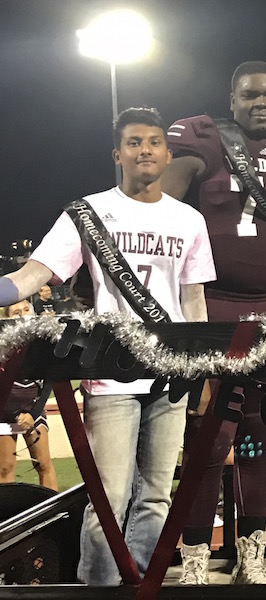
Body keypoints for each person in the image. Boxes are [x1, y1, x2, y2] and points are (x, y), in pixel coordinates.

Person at [0, 107, 215, 584]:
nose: (145, 150)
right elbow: (34, 276)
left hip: (171, 375)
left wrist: (201, 372)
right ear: (117, 153)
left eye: (154, 141)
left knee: (158, 495)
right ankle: (100, 589)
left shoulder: (190, 220)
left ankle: (137, 585)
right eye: (134, 142)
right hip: (111, 374)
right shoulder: (89, 212)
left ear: (168, 152)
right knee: (108, 499)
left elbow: (194, 302)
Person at [162, 60, 266, 585]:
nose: (262, 102)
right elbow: (159, 204)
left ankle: (253, 555)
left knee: (260, 436)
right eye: (251, 94)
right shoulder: (203, 138)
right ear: (230, 100)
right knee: (210, 438)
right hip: (215, 310)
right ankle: (194, 557)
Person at [0, 300, 58, 491]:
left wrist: (33, 413)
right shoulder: (2, 343)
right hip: (5, 412)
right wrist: (15, 415)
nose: (23, 315)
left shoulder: (42, 342)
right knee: (5, 468)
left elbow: (49, 381)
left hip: (34, 408)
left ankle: (55, 514)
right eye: (16, 312)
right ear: (7, 317)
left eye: (26, 310)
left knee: (43, 463)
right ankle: (7, 518)